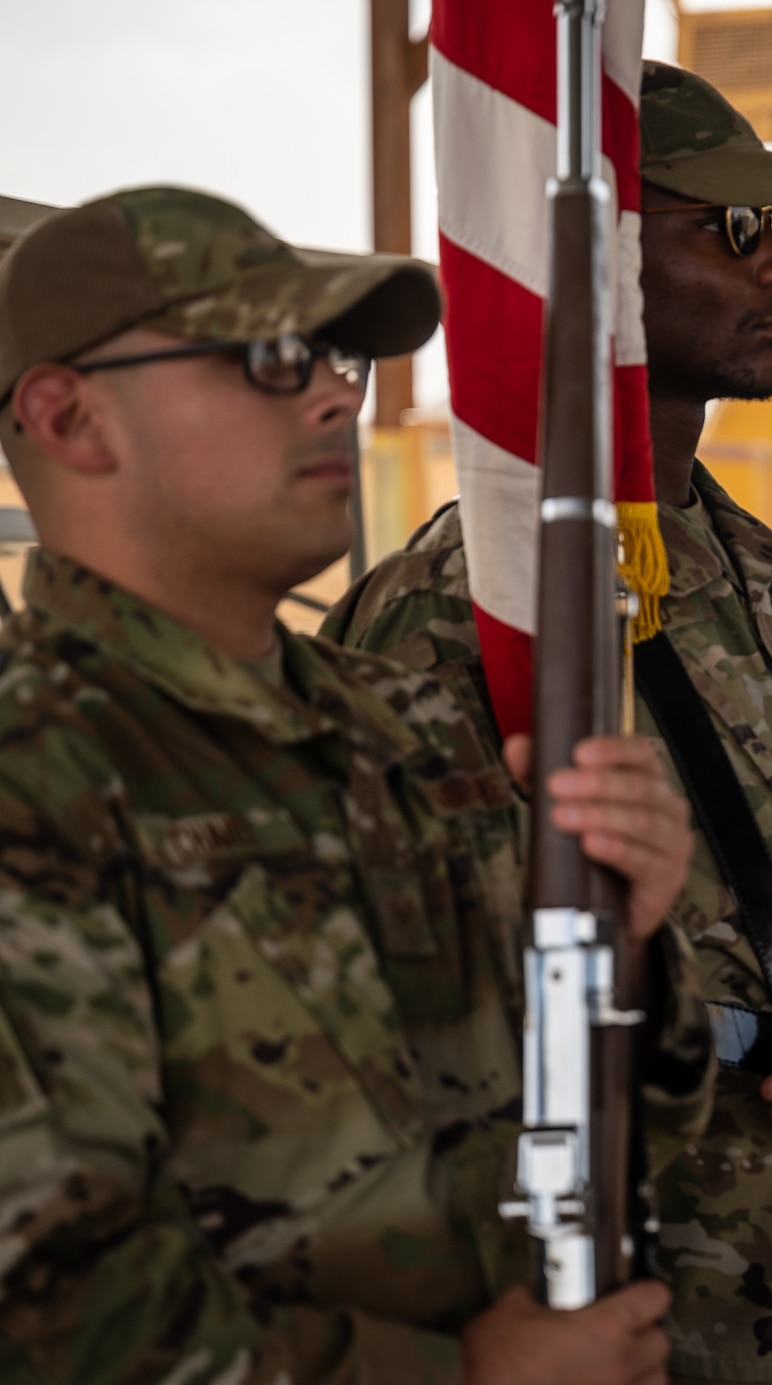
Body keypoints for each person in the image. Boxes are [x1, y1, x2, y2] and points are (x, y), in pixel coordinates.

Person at [322, 65, 772, 1385]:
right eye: (734, 228)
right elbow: (390, 1038)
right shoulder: (466, 614)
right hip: (651, 1325)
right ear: (601, 260)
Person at [0, 186, 710, 1385]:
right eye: (274, 355)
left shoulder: (406, 727)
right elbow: (48, 1303)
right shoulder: (37, 776)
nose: (338, 392)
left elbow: (604, 1128)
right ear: (69, 417)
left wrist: (627, 951)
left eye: (338, 356)